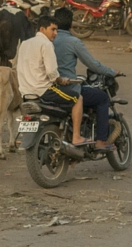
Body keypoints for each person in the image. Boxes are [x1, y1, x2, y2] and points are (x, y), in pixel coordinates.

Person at [49, 8, 119, 147]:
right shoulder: (73, 41)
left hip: (47, 88)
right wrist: (112, 72)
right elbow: (93, 65)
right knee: (102, 98)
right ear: (71, 24)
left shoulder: (46, 41)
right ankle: (101, 141)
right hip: (68, 88)